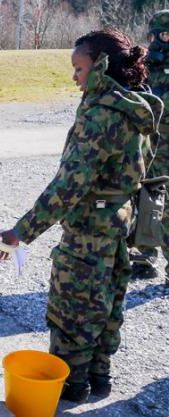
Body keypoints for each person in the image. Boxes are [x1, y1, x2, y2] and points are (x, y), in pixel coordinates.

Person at [0, 29, 162, 402]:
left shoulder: (101, 114)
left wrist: (20, 232)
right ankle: (99, 377)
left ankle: (71, 386)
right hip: (117, 224)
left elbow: (68, 187)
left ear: (101, 67)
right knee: (105, 304)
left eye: (79, 68)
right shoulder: (134, 107)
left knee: (72, 311)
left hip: (87, 230)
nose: (75, 77)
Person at [130, 10, 169, 283]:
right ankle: (144, 258)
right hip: (151, 146)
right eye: (165, 36)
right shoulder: (143, 68)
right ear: (154, 36)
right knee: (147, 201)